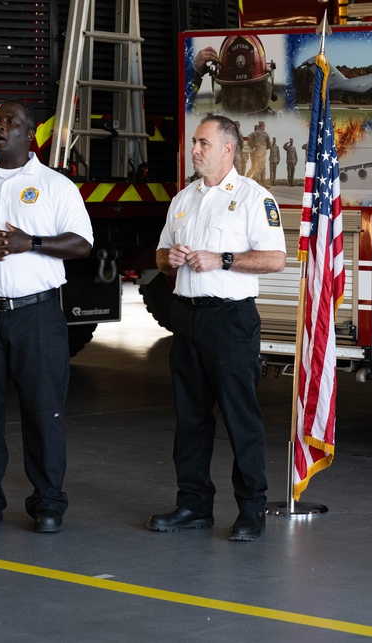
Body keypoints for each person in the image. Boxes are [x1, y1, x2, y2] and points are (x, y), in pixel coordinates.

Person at [0, 100, 94, 534]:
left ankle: (48, 504)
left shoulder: (55, 185)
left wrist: (33, 243)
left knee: (44, 411)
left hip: (37, 315)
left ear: (30, 135)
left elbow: (82, 244)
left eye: (11, 123)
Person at [147, 114, 286, 541]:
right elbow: (159, 254)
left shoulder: (253, 198)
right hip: (186, 316)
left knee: (240, 416)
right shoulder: (183, 199)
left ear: (228, 149)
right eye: (194, 142)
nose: (194, 150)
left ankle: (251, 510)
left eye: (203, 143)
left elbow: (275, 259)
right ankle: (193, 504)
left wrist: (221, 259)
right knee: (190, 418)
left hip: (230, 321)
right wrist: (166, 260)